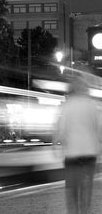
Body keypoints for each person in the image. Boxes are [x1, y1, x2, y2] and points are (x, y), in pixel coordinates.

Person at [54, 75, 102, 214]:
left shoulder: (67, 106)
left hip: (72, 153)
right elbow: (99, 128)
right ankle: (85, 211)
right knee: (87, 189)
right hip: (89, 152)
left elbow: (61, 129)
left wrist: (56, 145)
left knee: (72, 190)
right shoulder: (92, 105)